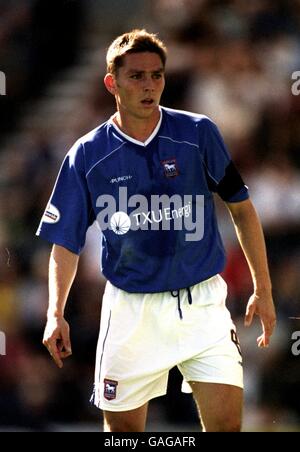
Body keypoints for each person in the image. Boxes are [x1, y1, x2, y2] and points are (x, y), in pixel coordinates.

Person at [37, 29, 276, 432]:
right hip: (131, 311)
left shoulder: (199, 134)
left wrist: (263, 290)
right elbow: (65, 242)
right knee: (125, 436)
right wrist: (55, 311)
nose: (149, 86)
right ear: (112, 82)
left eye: (157, 75)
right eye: (137, 76)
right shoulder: (88, 153)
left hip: (203, 305)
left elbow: (243, 211)